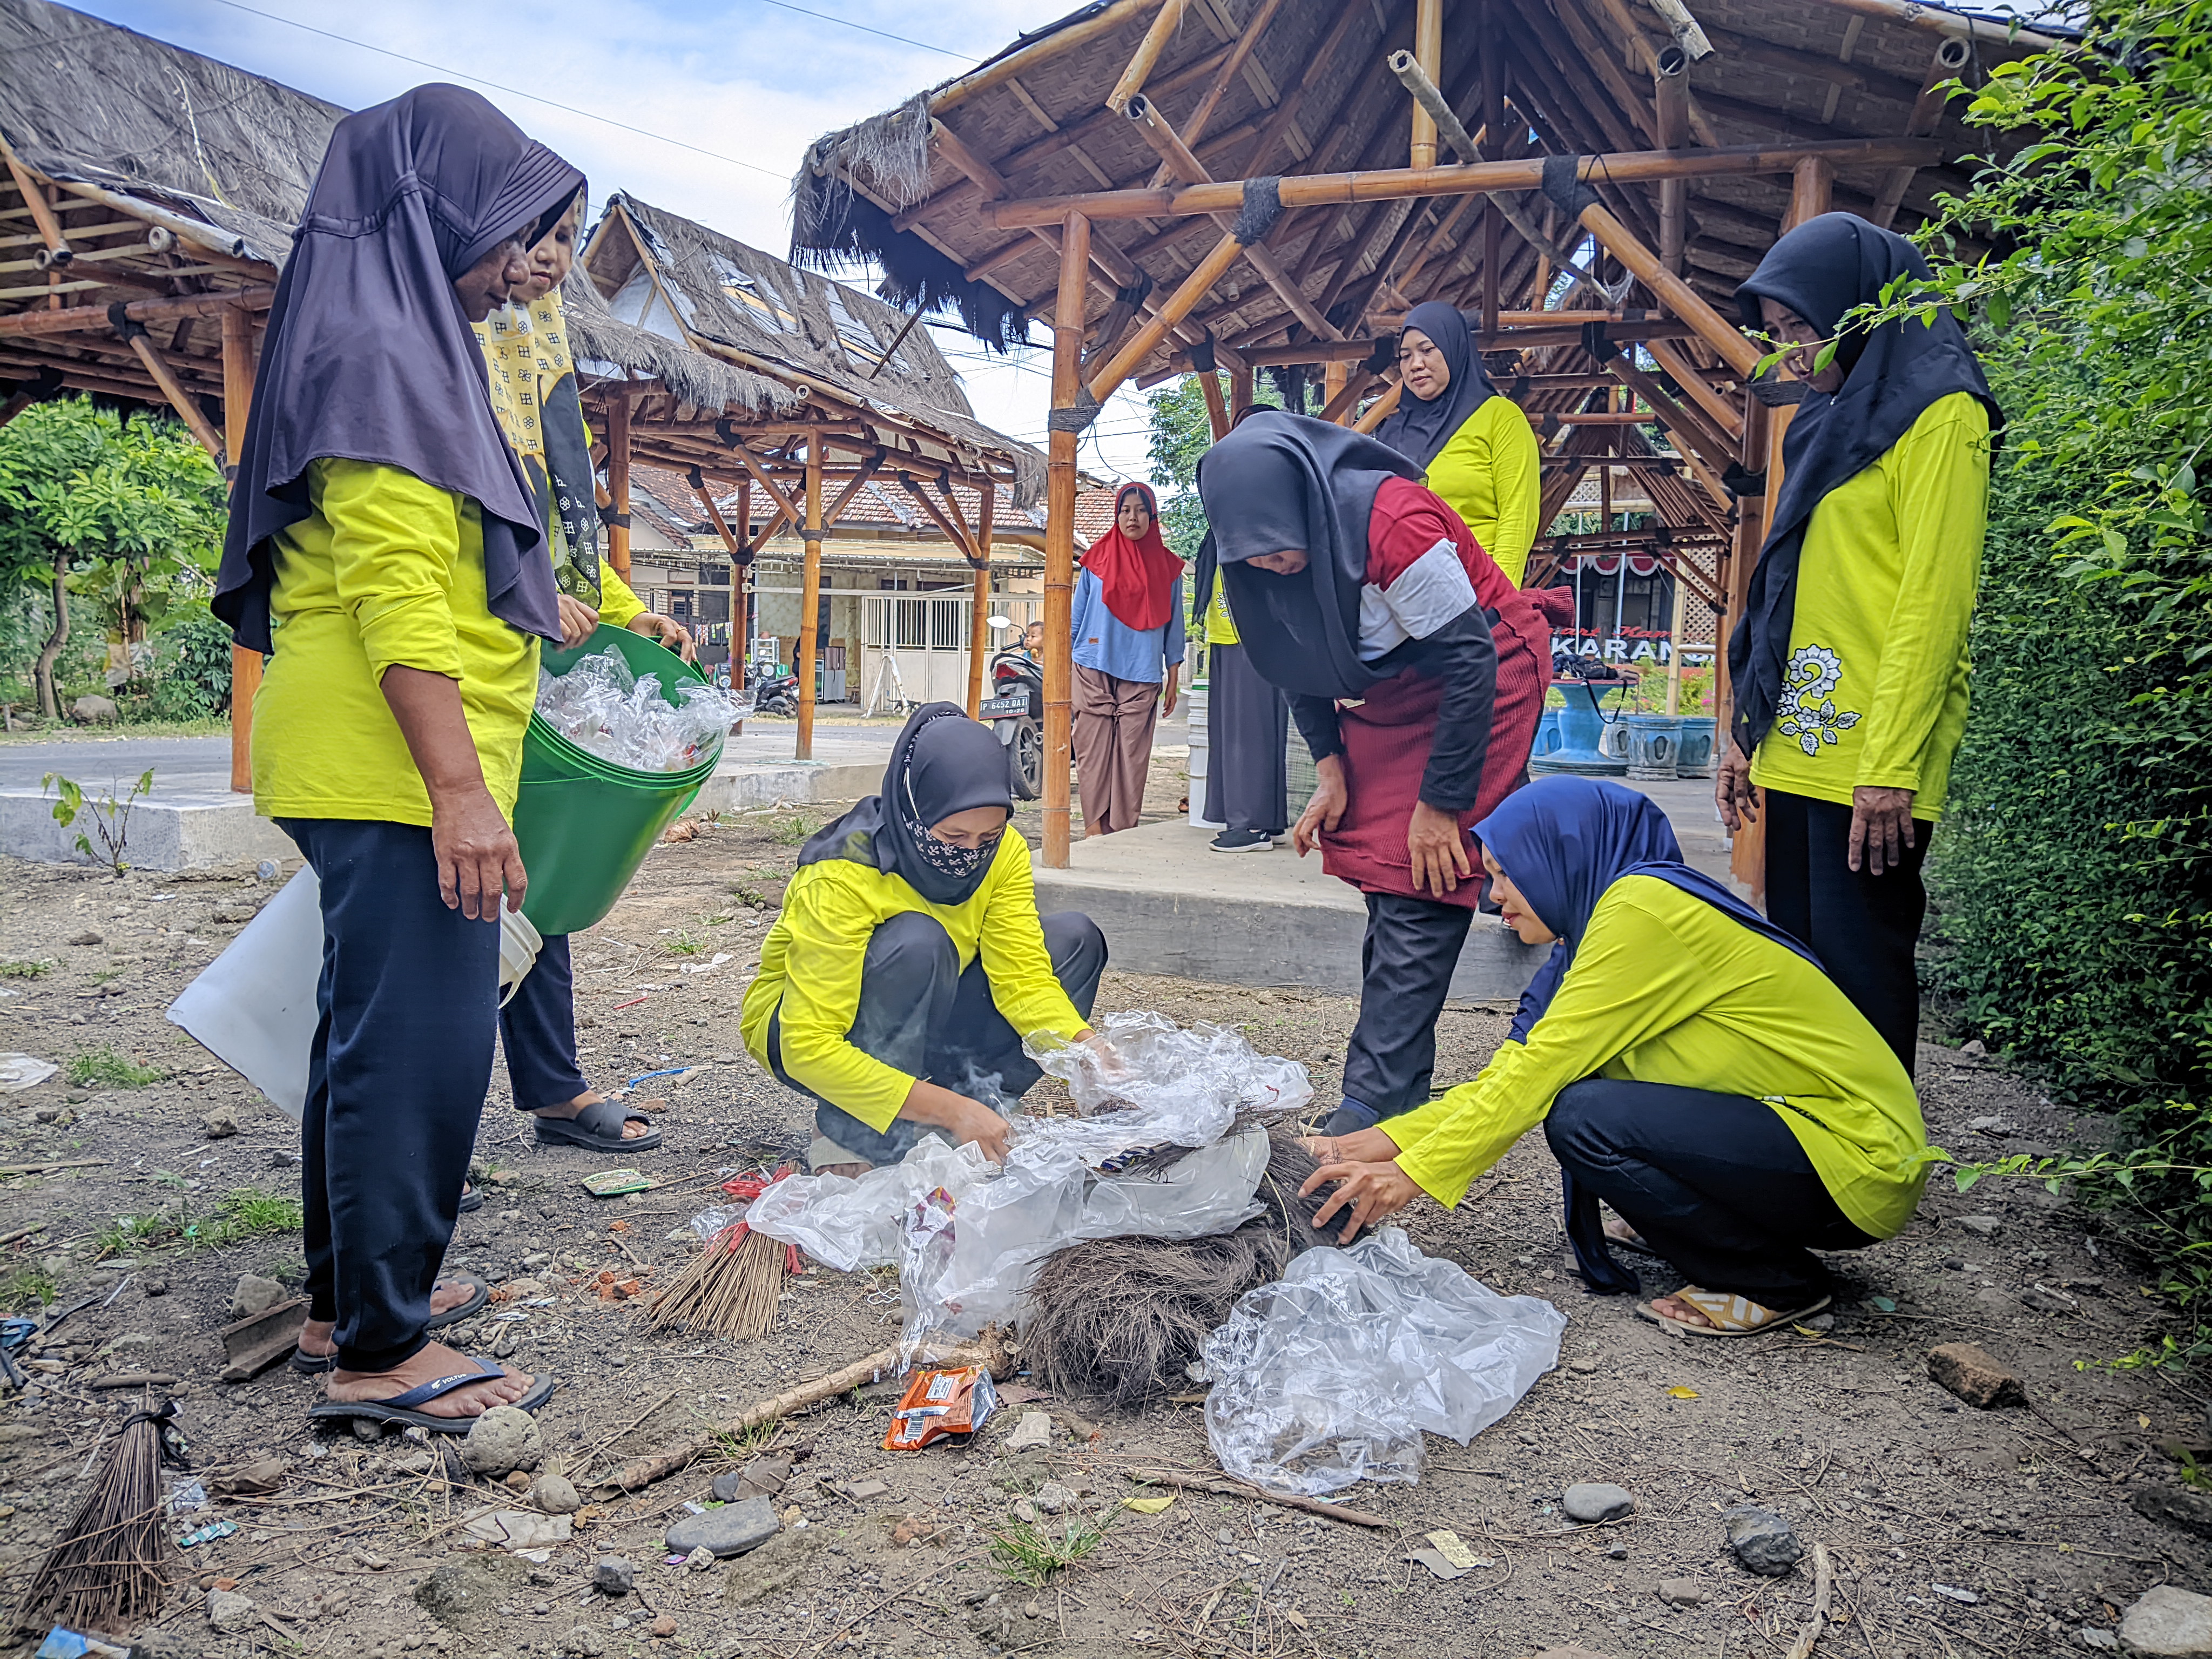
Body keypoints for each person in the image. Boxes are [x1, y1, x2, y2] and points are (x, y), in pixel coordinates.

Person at [215, 85, 581, 1427]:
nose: (520, 264)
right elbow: (395, 592)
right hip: (395, 765)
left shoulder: (396, 336)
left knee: (365, 1033)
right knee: (422, 1048)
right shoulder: (384, 352)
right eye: (510, 228)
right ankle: (383, 1351)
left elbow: (439, 566)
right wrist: (461, 792)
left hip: (372, 759)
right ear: (437, 206)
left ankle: (346, 1304)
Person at [1301, 777, 1930, 1335]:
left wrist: (1411, 1176)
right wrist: (1363, 1146)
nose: (1493, 898)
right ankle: (1721, 1236)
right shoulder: (1596, 935)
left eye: (1505, 873)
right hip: (1806, 1142)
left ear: (1558, 857)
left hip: (1857, 1156)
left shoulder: (1643, 916)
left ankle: (1776, 1281)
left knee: (1585, 1118)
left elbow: (1536, 1079)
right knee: (1587, 1111)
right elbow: (1508, 1077)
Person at [1196, 410, 1554, 1138]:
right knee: (1384, 875)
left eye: (1279, 550)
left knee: (1422, 876)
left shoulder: (1390, 521)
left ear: (1305, 505)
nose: (1270, 567)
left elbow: (1469, 660)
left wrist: (1442, 803)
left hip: (1482, 675)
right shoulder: (1250, 555)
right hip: (1389, 692)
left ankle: (1372, 1105)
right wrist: (1329, 769)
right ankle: (1394, 1093)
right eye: (1253, 558)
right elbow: (1287, 654)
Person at [1719, 213, 2000, 1076]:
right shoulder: (1824, 417)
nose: (1790, 354)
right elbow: (1778, 584)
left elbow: (1934, 603)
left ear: (1861, 307)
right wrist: (1745, 730)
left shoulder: (1943, 413)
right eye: (1776, 334)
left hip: (1872, 761)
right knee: (1801, 979)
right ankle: (1808, 1142)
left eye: (1800, 327)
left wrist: (1890, 767)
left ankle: (1877, 1151)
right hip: (1798, 741)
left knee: (1863, 975)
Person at [473, 193, 692, 1156]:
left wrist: (619, 610)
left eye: (568, 236)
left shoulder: (537, 364)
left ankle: (553, 1089)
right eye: (538, 234)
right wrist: (522, 597)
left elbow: (557, 536)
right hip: (450, 682)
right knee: (463, 902)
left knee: (535, 877)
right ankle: (412, 1140)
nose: (554, 257)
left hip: (523, 679)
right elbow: (450, 543)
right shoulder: (447, 356)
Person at [741, 703, 1109, 1174]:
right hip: (812, 1033)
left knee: (1075, 941)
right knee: (918, 941)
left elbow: (1024, 980)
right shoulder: (843, 873)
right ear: (914, 810)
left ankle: (969, 1107)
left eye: (988, 837)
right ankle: (855, 1135)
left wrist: (1088, 1050)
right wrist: (951, 1111)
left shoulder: (1005, 853)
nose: (970, 853)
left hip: (934, 1005)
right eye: (953, 837)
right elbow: (808, 1047)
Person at [1371, 302, 1543, 587]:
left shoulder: (1500, 417)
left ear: (1454, 349)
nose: (1415, 364)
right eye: (1405, 356)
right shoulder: (1391, 434)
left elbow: (1518, 516)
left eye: (1427, 350)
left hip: (1475, 590)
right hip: (1402, 595)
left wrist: (1499, 598)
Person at [1070, 482, 1184, 835]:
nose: (1132, 517)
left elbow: (1175, 625)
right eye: (1125, 510)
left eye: (1141, 510)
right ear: (1116, 516)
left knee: (1131, 757)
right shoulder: (1095, 561)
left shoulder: (1169, 568)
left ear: (1153, 516)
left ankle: (1121, 831)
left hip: (1142, 671)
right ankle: (1093, 829)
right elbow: (1076, 618)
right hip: (1093, 666)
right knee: (1092, 751)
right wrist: (1061, 670)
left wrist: (1173, 677)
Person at [1198, 572, 1288, 853]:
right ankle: (1267, 820)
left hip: (1252, 630)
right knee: (1232, 730)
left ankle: (1252, 825)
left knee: (1247, 729)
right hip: (1230, 630)